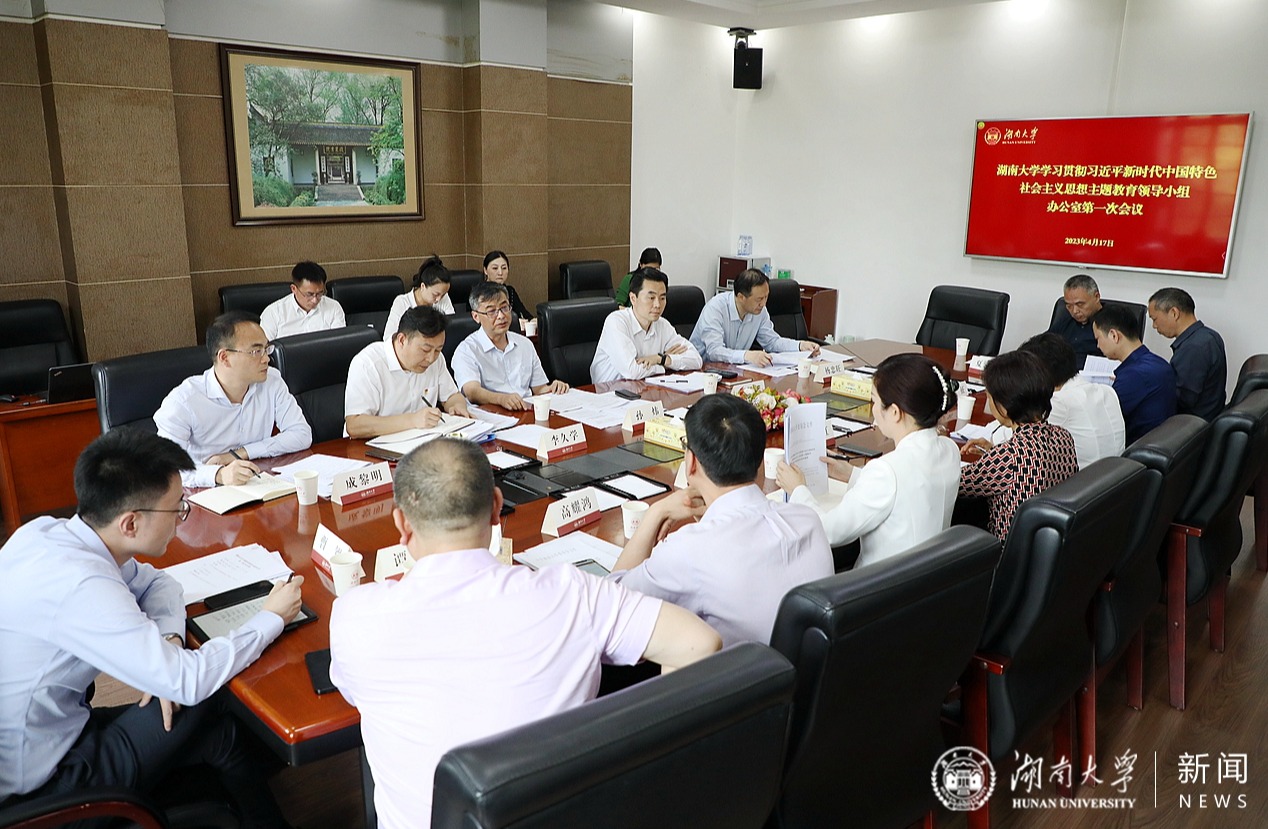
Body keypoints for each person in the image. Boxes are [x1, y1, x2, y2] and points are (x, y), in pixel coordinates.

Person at [328, 438, 720, 829]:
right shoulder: (572, 594)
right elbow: (699, 644)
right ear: (497, 508)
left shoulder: (353, 617)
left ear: (401, 522)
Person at [0, 429, 304, 826]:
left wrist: (169, 638)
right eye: (177, 508)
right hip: (45, 783)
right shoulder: (82, 585)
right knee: (211, 698)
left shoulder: (47, 534)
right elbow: (188, 681)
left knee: (219, 734)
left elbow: (160, 584)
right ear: (130, 523)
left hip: (55, 731)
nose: (181, 518)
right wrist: (271, 618)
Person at [609, 393, 833, 645]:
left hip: (742, 671)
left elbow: (609, 607)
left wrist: (655, 513)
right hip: (803, 669)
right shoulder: (808, 520)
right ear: (760, 461)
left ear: (691, 462)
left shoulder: (689, 550)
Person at [775, 354, 961, 566]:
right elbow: (906, 488)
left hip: (881, 582)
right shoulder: (950, 450)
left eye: (875, 401)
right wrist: (852, 474)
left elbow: (828, 531)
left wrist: (798, 490)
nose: (873, 409)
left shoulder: (886, 471)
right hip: (926, 577)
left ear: (894, 412)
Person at [156, 311, 312, 489]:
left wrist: (240, 454)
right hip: (203, 492)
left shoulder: (272, 381)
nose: (266, 358)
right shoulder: (183, 401)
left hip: (257, 482)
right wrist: (219, 474)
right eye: (256, 351)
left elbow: (302, 434)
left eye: (266, 348)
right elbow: (167, 467)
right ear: (225, 357)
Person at [958, 350, 1079, 541]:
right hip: (1047, 543)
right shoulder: (1063, 437)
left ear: (1004, 406)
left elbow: (955, 483)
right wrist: (992, 453)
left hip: (1006, 550)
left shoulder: (1008, 457)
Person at [345, 306, 472, 438]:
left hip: (421, 441)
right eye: (425, 350)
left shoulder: (436, 359)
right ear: (402, 340)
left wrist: (457, 406)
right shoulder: (368, 364)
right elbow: (355, 425)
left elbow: (452, 396)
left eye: (438, 350)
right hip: (369, 445)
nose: (431, 358)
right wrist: (412, 420)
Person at [451, 281, 568, 411]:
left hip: (526, 411)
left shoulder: (525, 344)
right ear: (476, 316)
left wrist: (553, 388)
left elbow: (539, 389)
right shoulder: (466, 350)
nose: (501, 316)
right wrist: (501, 399)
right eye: (492, 311)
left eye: (504, 307)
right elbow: (472, 392)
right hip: (491, 415)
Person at [1017, 332, 1125, 468]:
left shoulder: (1060, 402)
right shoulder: (1106, 390)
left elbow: (1018, 438)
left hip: (1083, 479)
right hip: (1115, 476)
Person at [590, 268, 703, 383]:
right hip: (608, 391)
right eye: (651, 298)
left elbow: (696, 359)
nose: (657, 305)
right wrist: (663, 366)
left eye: (662, 298)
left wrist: (661, 358)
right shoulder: (616, 322)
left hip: (644, 388)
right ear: (633, 298)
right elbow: (632, 371)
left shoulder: (662, 324)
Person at [690, 267, 819, 365]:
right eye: (759, 299)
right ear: (741, 297)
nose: (763, 304)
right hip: (703, 372)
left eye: (766, 297)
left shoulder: (759, 310)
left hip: (733, 370)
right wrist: (747, 356)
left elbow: (772, 342)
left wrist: (800, 346)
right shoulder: (715, 309)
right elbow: (714, 352)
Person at [1092, 303, 1177, 443]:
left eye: (1098, 339)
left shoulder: (1133, 376)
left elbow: (1101, 419)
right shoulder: (1159, 363)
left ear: (1114, 335)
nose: (1098, 345)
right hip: (1162, 440)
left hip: (1136, 447)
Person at [1148, 287, 1227, 421]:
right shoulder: (1209, 335)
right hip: (1207, 417)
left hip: (1192, 425)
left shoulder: (1194, 348)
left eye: (1154, 319)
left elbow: (1181, 400)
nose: (1154, 326)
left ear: (1174, 313)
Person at [258, 260, 345, 340]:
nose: (315, 300)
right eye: (309, 294)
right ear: (294, 289)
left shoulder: (334, 307)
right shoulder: (273, 313)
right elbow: (264, 347)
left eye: (320, 293)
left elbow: (339, 342)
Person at [383, 255, 455, 344]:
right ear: (423, 286)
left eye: (443, 294)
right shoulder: (402, 302)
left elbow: (451, 328)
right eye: (435, 294)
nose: (439, 299)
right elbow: (388, 338)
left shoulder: (443, 298)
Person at [1047, 273, 1105, 363]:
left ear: (1096, 297)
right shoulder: (1065, 321)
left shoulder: (1113, 322)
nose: (1074, 311)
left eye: (1080, 304)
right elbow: (1042, 344)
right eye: (1069, 306)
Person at [482, 250, 532, 326]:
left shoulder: (509, 291)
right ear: (485, 270)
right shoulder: (479, 294)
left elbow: (525, 315)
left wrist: (532, 321)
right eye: (495, 268)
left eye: (504, 268)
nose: (500, 272)